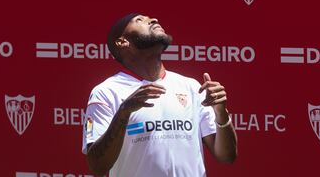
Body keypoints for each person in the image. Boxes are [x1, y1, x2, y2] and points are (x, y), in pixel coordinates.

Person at [82, 13, 237, 177]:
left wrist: (221, 114)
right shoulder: (106, 92)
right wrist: (123, 113)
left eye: (151, 18)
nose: (153, 20)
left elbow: (227, 156)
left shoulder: (191, 86)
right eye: (140, 20)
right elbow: (97, 167)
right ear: (122, 42)